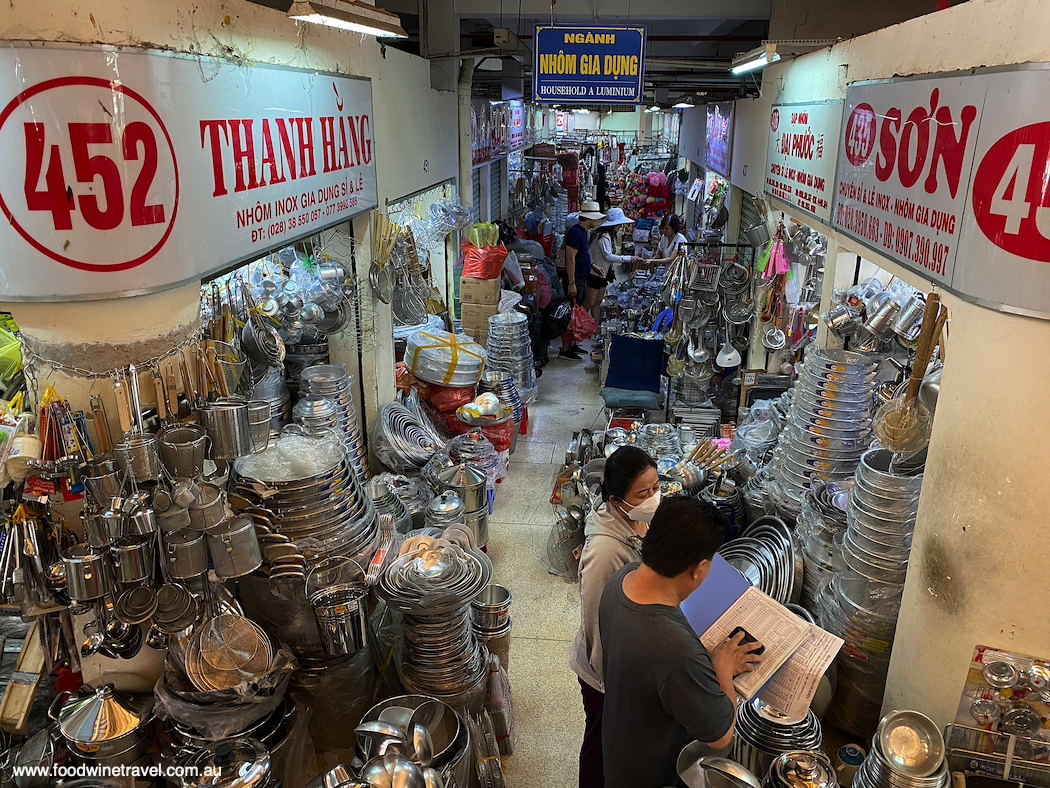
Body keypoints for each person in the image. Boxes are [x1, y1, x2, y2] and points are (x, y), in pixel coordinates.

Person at [599, 496, 765, 788]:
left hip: (620, 749)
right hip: (654, 772)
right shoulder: (676, 652)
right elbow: (721, 735)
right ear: (698, 568)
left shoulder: (620, 581)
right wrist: (722, 667)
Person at [569, 446, 661, 788]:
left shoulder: (639, 518)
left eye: (656, 487)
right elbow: (596, 623)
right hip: (604, 673)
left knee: (620, 746)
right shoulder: (604, 552)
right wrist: (614, 684)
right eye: (643, 493)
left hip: (630, 657)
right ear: (617, 497)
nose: (653, 497)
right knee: (600, 745)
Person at [560, 200, 605, 361]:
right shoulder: (575, 233)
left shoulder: (583, 232)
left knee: (576, 314)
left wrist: (592, 266)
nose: (597, 221)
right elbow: (570, 259)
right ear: (589, 218)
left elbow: (582, 256)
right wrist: (571, 283)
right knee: (571, 316)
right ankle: (565, 350)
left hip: (582, 278)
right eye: (595, 218)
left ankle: (572, 344)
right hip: (575, 279)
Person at [585, 208, 640, 326]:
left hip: (601, 273)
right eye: (619, 224)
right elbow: (608, 256)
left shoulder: (607, 235)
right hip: (595, 273)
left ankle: (594, 327)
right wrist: (628, 258)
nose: (620, 226)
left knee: (597, 302)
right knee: (589, 303)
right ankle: (579, 325)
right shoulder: (604, 236)